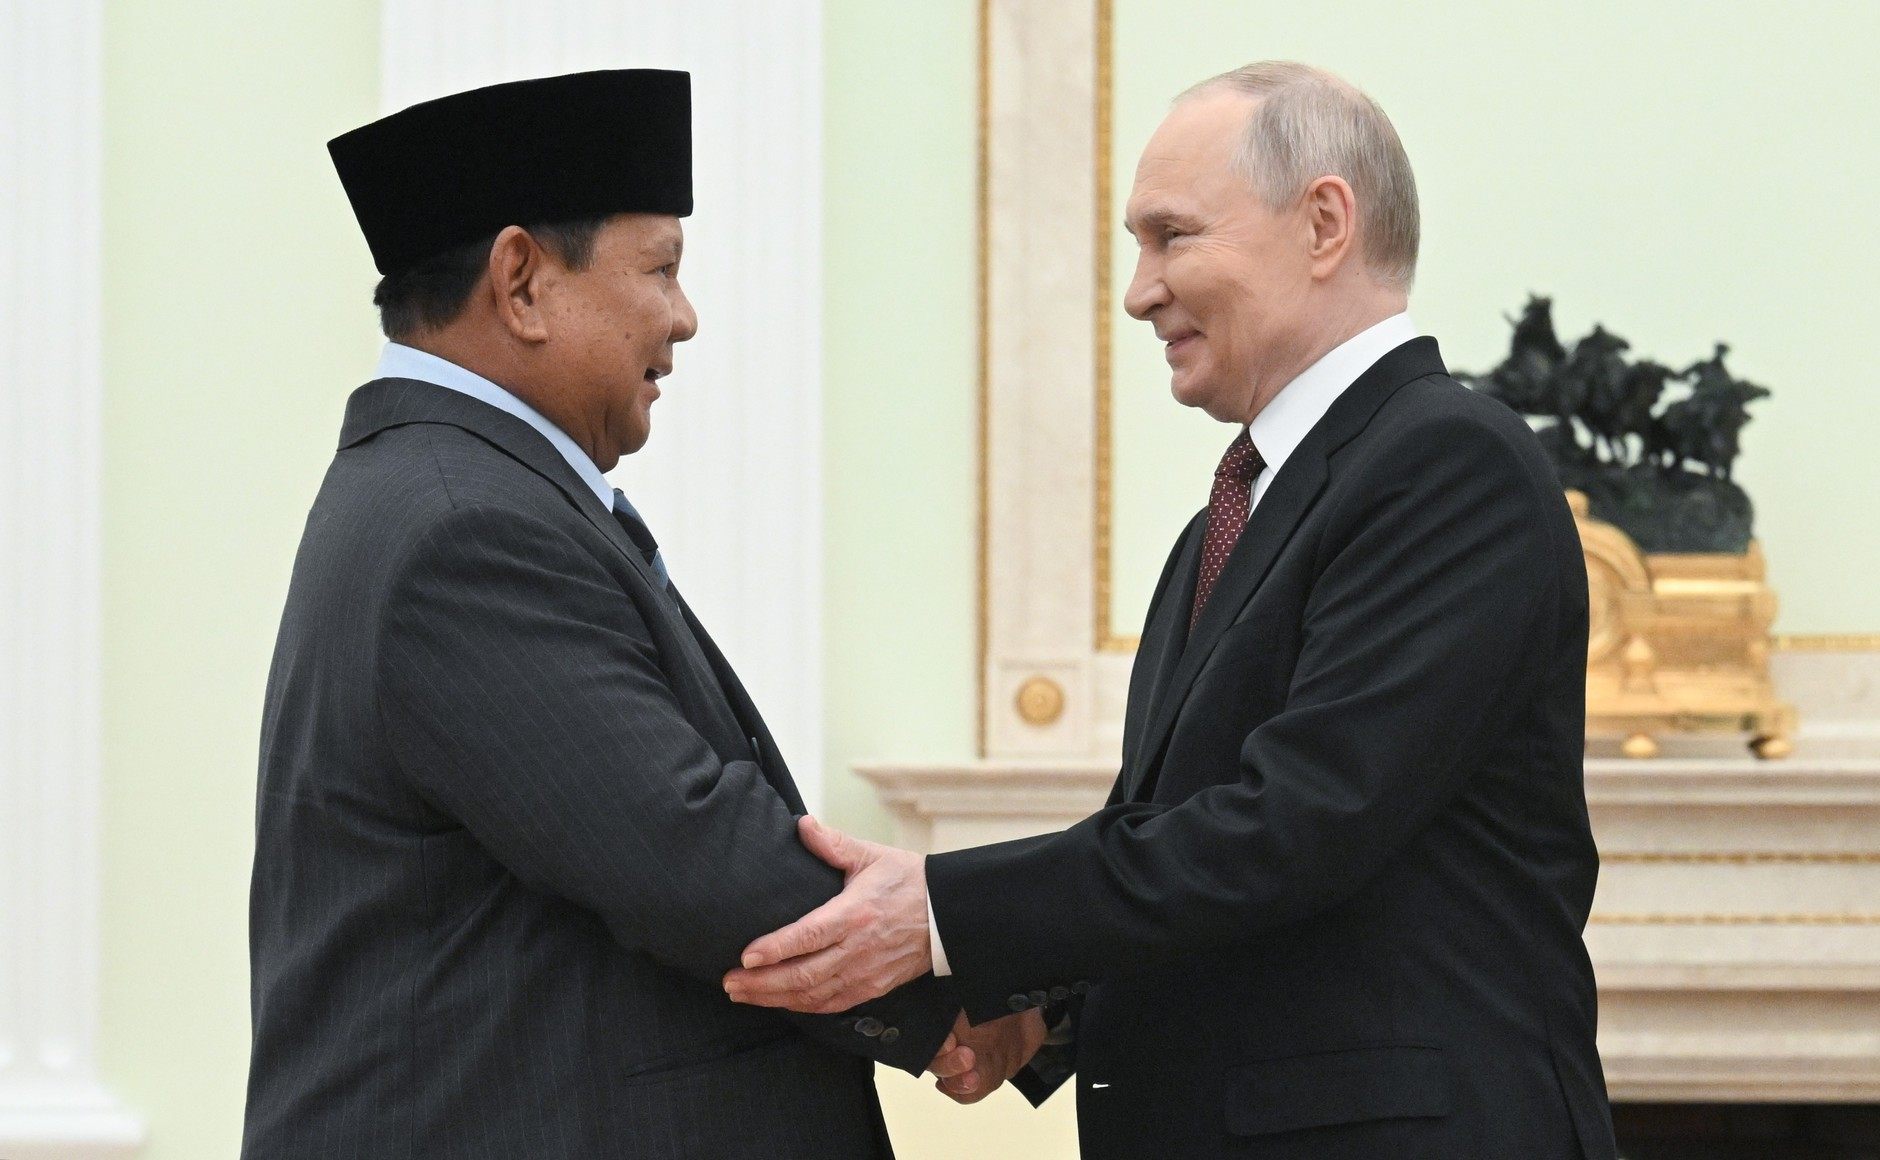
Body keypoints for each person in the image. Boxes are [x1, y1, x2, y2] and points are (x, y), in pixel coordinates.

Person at [723, 61, 1619, 1159]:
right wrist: (1040, 1012)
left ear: (1323, 222)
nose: (1138, 290)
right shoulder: (1226, 520)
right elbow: (1184, 842)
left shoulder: (1446, 462)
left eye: (1170, 236)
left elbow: (1290, 826)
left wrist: (943, 912)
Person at [243, 69, 991, 1159]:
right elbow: (691, 854)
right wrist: (972, 979)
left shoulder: (453, 489)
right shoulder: (463, 528)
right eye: (662, 269)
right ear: (522, 283)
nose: (682, 318)